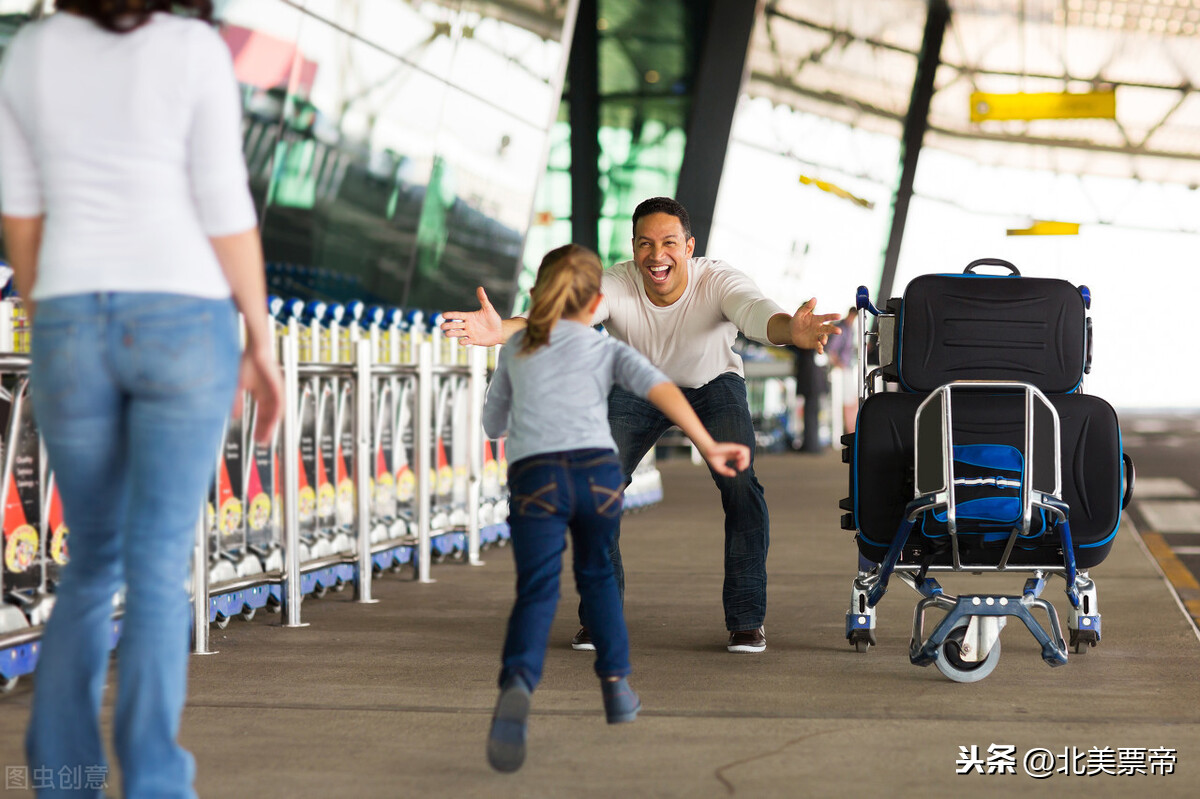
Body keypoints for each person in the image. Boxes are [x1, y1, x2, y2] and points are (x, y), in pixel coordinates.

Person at [0, 2, 283, 797]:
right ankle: (155, 782)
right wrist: (258, 338)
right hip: (182, 315)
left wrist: (51, 310)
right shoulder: (193, 48)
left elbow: (21, 215)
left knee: (90, 564)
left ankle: (62, 781)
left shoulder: (32, 49)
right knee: (159, 566)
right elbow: (225, 204)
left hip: (68, 317)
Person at [442, 197, 840, 654]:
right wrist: (503, 331)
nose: (657, 255)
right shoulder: (615, 284)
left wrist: (792, 330)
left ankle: (747, 619)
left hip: (712, 383)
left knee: (740, 485)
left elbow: (756, 313)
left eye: (669, 243)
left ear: (689, 246)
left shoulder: (718, 280)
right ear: (633, 248)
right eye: (645, 244)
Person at [482, 243, 749, 773]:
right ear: (597, 302)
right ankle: (616, 684)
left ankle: (517, 682)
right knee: (597, 575)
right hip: (595, 476)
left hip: (536, 479)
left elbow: (494, 423)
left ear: (539, 296)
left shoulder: (516, 350)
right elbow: (664, 393)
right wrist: (708, 443)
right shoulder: (606, 351)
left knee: (536, 589)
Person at [825, 307, 860, 434]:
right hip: (842, 369)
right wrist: (838, 364)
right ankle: (848, 429)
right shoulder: (842, 328)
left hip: (847, 367)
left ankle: (849, 428)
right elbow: (831, 349)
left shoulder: (850, 328)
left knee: (850, 399)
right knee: (846, 400)